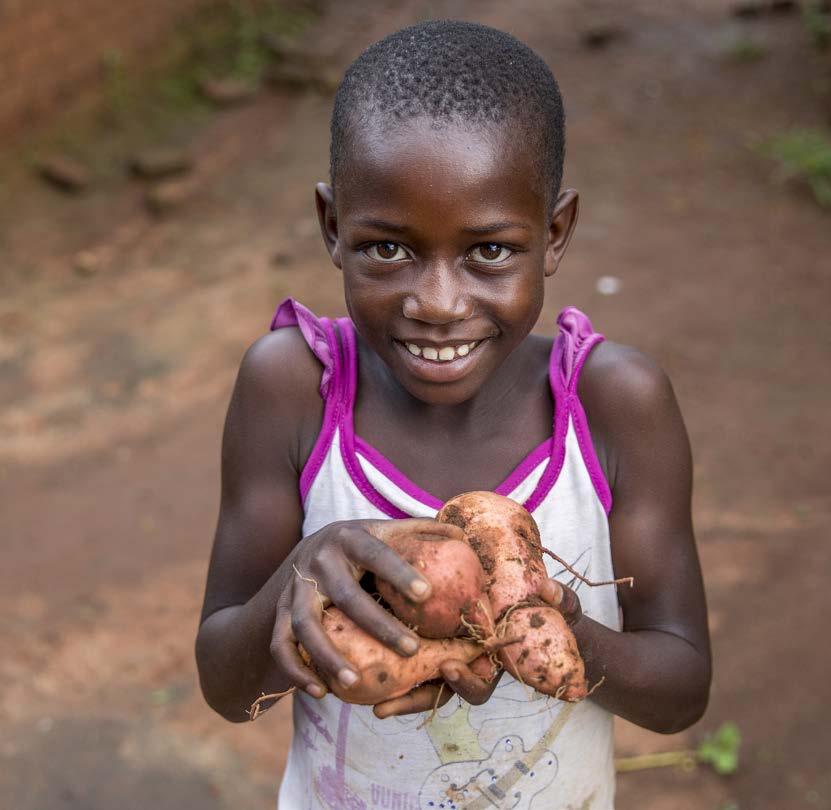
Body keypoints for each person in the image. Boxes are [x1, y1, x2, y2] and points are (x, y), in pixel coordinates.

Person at [195, 19, 711, 810]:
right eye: (388, 249)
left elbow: (680, 692)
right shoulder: (290, 387)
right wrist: (307, 573)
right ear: (333, 228)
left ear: (554, 233)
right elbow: (228, 690)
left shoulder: (615, 403)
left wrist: (546, 631)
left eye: (490, 252)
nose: (436, 304)